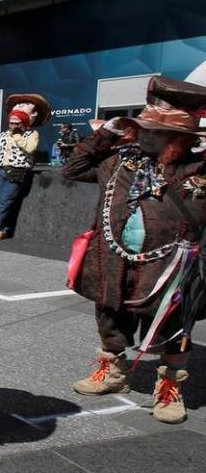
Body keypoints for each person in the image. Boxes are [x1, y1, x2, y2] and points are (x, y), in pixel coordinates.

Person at [63, 76, 206, 425]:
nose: (144, 135)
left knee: (172, 327)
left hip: (171, 269)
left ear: (179, 139)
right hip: (114, 262)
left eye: (154, 131)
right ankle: (112, 374)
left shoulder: (199, 169)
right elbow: (73, 168)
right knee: (110, 316)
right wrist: (107, 133)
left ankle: (169, 387)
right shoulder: (118, 161)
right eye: (141, 127)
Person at [0, 93, 50, 241]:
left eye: (17, 123)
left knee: (6, 201)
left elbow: (30, 149)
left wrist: (18, 137)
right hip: (0, 171)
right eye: (11, 123)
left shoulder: (32, 134)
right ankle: (5, 230)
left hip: (18, 171)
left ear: (24, 123)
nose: (13, 126)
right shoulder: (3, 135)